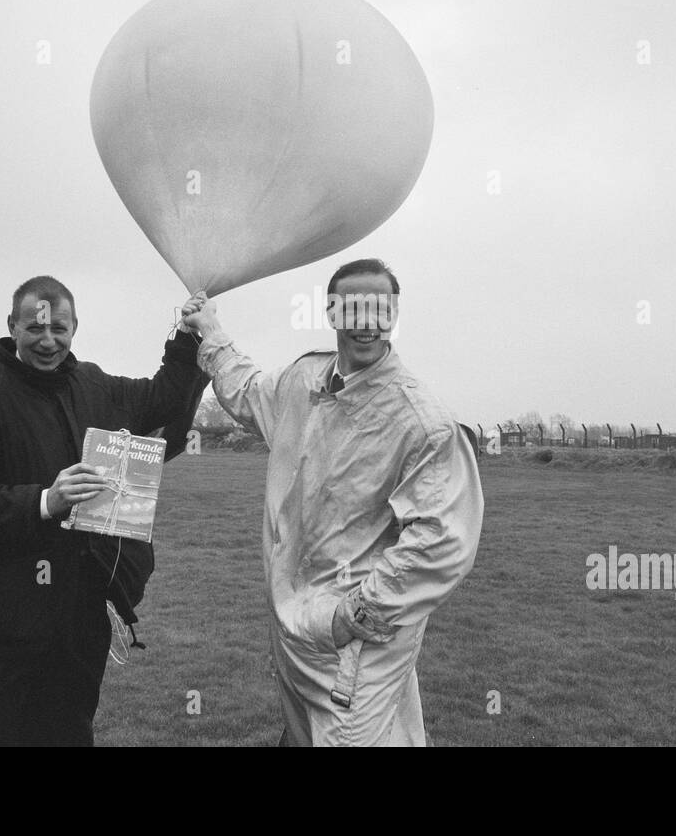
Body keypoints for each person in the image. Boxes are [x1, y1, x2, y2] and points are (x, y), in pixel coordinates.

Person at [182, 258, 483, 746]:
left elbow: (442, 541)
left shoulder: (422, 421)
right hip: (292, 630)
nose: (366, 321)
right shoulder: (304, 380)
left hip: (354, 648)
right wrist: (210, 330)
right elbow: (245, 390)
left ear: (394, 314)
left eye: (379, 307)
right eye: (354, 306)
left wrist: (355, 614)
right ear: (332, 311)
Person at [0, 276, 209, 746]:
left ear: (75, 327)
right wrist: (43, 501)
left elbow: (165, 398)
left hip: (75, 621)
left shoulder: (95, 385)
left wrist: (189, 337)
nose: (48, 340)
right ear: (12, 326)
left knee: (67, 735)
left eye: (60, 328)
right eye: (35, 328)